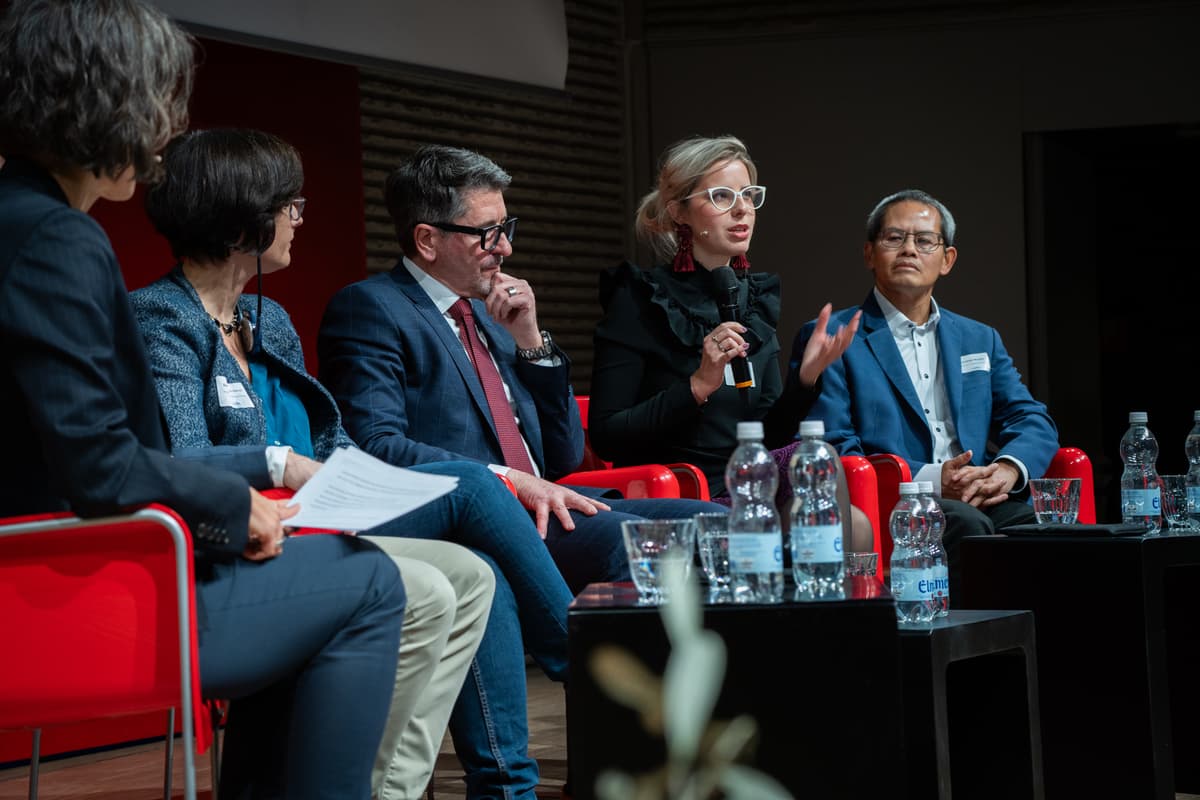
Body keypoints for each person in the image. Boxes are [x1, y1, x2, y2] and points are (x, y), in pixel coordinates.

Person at [0, 3, 405, 798]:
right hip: (62, 605)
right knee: (367, 581)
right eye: (156, 105)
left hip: (40, 575)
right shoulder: (54, 239)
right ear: (103, 102)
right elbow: (98, 466)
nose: (162, 136)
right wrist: (236, 503)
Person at [130, 127, 572, 800]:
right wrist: (279, 462)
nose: (300, 217)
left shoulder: (266, 317)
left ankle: (396, 788)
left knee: (474, 572)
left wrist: (361, 478)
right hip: (234, 543)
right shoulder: (159, 319)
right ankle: (584, 661)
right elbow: (185, 457)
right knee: (474, 487)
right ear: (243, 214)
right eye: (289, 203)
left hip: (322, 516)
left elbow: (330, 440)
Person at [317, 143, 726, 597]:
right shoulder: (372, 307)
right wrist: (508, 479)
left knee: (723, 529)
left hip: (550, 505)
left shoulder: (495, 314)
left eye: (506, 228)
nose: (506, 248)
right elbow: (377, 446)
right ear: (427, 240)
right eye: (488, 233)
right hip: (478, 518)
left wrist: (531, 340)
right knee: (648, 550)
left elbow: (565, 455)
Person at [587, 135, 868, 545]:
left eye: (750, 196)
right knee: (843, 524)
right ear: (679, 211)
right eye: (721, 196)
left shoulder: (754, 300)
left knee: (822, 465)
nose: (742, 210)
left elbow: (767, 436)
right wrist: (697, 386)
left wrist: (805, 381)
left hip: (750, 479)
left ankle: (818, 607)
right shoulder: (639, 298)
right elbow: (608, 434)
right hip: (680, 490)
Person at [788, 188, 1059, 587]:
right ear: (869, 254)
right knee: (967, 525)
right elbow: (834, 445)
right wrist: (932, 481)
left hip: (978, 495)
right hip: (890, 502)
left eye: (925, 240)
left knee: (1048, 527)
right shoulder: (833, 338)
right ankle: (976, 648)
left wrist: (1006, 469)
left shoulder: (978, 338)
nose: (909, 250)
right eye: (894, 238)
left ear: (947, 259)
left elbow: (1029, 416)